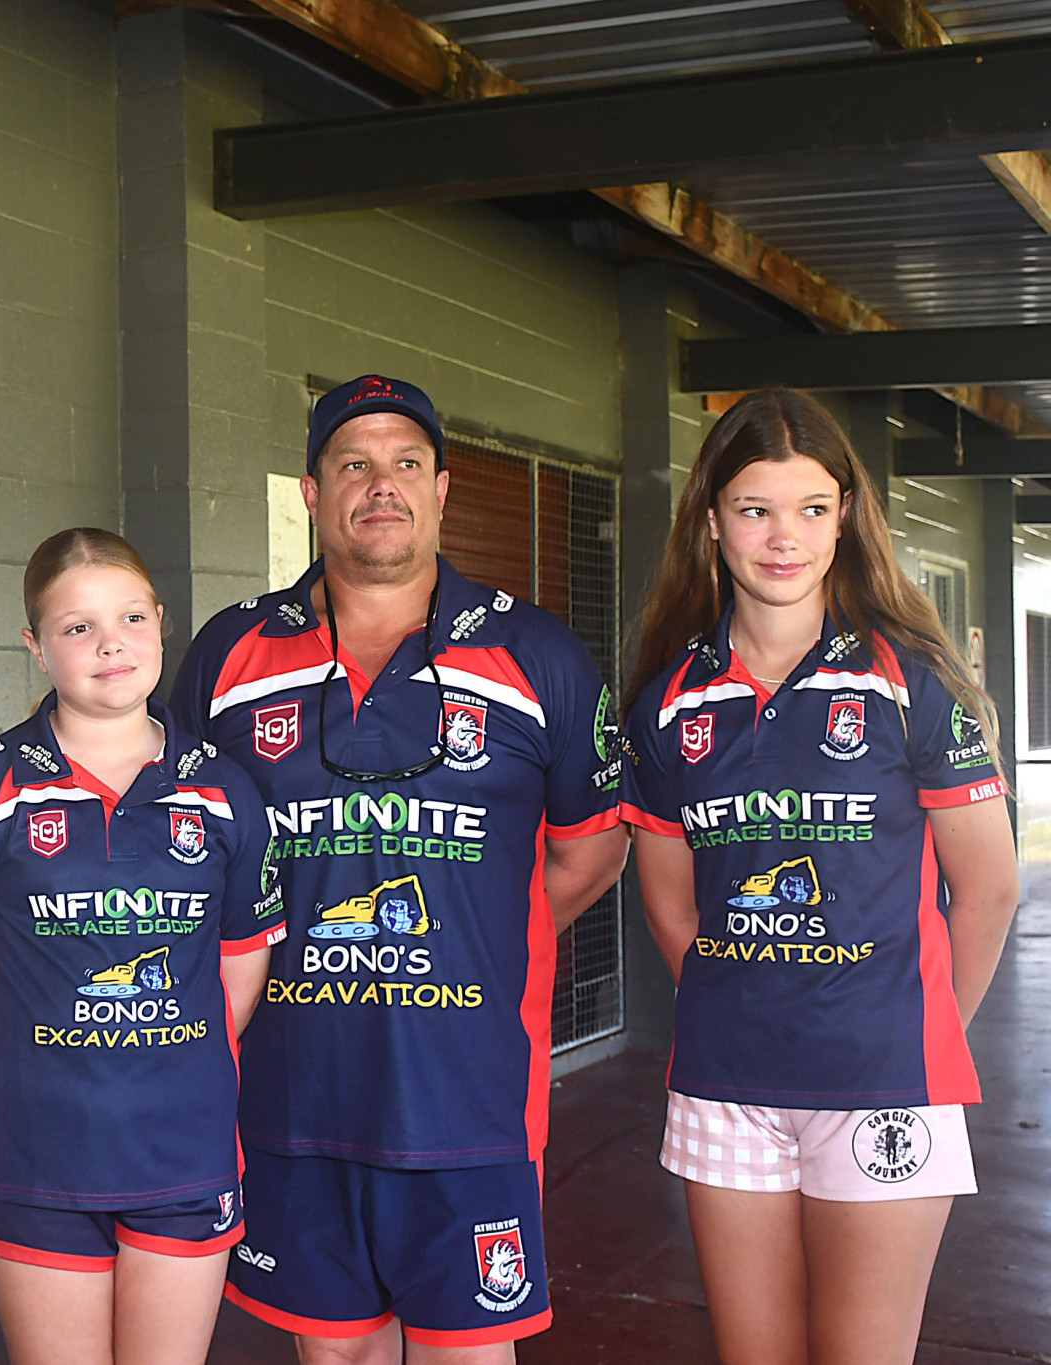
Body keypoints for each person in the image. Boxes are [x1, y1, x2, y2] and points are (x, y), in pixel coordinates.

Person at [170, 375, 628, 1363]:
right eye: (352, 464)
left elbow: (593, 842)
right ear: (309, 491)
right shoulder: (229, 652)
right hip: (290, 1094)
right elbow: (186, 847)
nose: (380, 485)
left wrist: (477, 926)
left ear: (442, 488)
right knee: (333, 1350)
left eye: (404, 464)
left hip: (467, 1097)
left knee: (466, 1352)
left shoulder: (535, 649)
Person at [618, 389, 1018, 1365]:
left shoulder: (912, 680)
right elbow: (669, 904)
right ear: (711, 521)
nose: (781, 538)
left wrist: (915, 1032)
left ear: (843, 515)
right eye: (754, 509)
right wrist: (750, 1000)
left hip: (884, 1082)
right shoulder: (668, 700)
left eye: (808, 508)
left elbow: (989, 888)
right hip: (726, 1084)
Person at [0, 528, 288, 1365]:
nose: (111, 642)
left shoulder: (224, 791)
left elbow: (238, 975)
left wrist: (175, 1070)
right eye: (77, 627)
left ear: (161, 624)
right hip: (31, 1162)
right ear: (36, 647)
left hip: (184, 1154)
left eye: (131, 616)